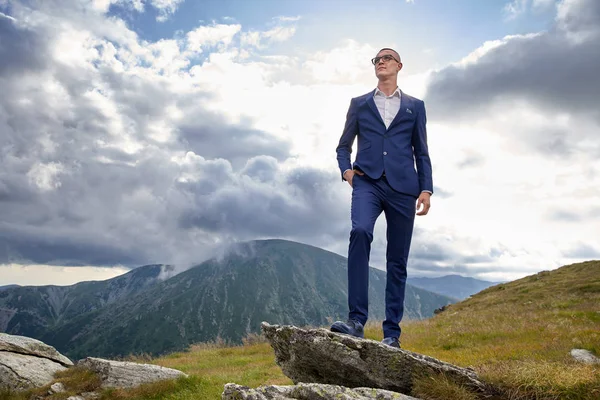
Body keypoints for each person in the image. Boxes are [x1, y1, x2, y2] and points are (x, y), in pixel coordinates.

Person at [331, 48, 433, 348]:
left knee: (397, 260)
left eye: (386, 58)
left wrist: (426, 189)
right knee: (360, 231)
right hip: (367, 183)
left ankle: (392, 334)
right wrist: (347, 172)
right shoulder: (359, 104)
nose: (381, 61)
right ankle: (356, 321)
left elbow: (422, 152)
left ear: (399, 66)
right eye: (377, 59)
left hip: (404, 189)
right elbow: (343, 146)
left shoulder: (416, 106)